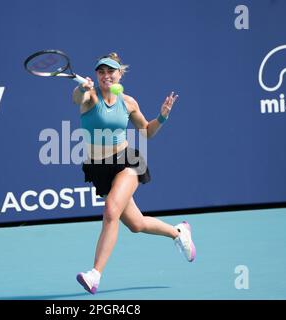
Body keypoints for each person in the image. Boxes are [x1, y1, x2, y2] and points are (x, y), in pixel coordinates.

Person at [72, 52, 196, 294]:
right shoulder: (89, 97)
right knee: (137, 224)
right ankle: (178, 232)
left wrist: (162, 117)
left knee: (110, 211)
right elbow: (76, 96)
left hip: (126, 162)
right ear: (96, 75)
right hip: (99, 169)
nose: (106, 75)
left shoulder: (128, 102)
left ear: (120, 74)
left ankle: (95, 274)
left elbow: (147, 131)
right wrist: (82, 88)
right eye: (101, 71)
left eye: (111, 71)